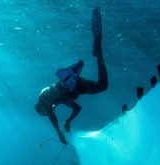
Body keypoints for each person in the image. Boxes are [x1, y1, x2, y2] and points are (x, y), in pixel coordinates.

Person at [35, 7, 108, 145]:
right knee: (94, 85)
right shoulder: (49, 96)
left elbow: (55, 116)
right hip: (70, 84)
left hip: (76, 87)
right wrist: (67, 122)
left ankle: (99, 55)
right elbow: (73, 109)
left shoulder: (55, 101)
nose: (52, 111)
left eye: (49, 110)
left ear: (45, 107)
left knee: (103, 86)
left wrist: (61, 130)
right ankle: (76, 71)